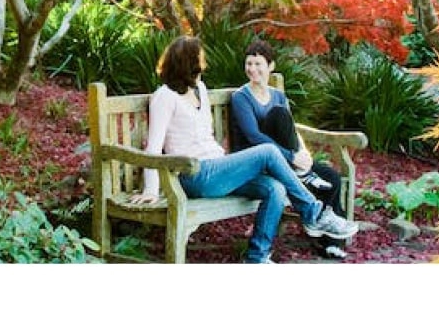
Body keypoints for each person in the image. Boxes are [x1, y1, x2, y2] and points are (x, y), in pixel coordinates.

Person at [129, 35, 357, 263]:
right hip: (194, 174)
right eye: (200, 57)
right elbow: (154, 147)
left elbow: (206, 137)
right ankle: (313, 213)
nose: (204, 61)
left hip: (218, 169)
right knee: (267, 151)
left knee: (275, 189)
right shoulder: (164, 97)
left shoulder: (199, 88)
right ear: (188, 62)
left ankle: (257, 257)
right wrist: (151, 189)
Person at [230, 38, 349, 259]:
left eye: (258, 64)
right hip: (255, 161)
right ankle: (303, 175)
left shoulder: (278, 95)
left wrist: (303, 153)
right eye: (249, 64)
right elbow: (254, 136)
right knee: (278, 114)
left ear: (270, 66)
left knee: (331, 177)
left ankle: (329, 242)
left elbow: (291, 129)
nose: (252, 69)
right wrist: (292, 156)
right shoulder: (241, 97)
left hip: (286, 161)